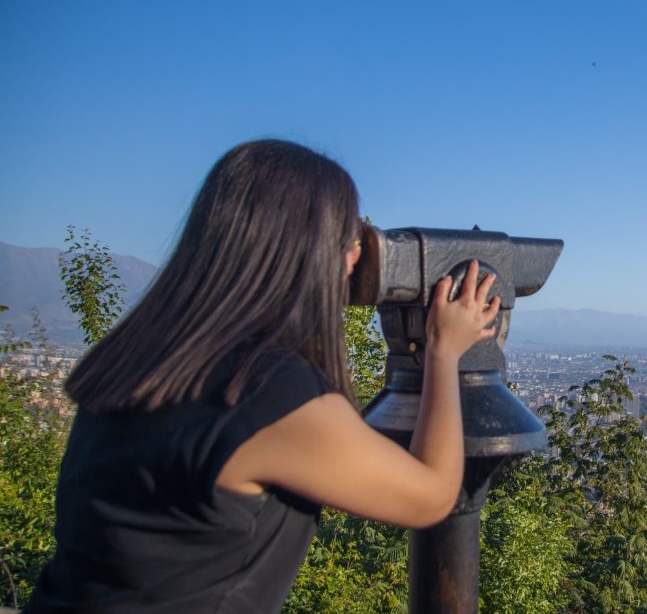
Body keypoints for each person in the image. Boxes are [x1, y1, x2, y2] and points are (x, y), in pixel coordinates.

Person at [25, 139, 499, 613]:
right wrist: (443, 351)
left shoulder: (136, 358)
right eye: (351, 239)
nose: (358, 256)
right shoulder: (269, 394)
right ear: (308, 249)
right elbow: (432, 496)